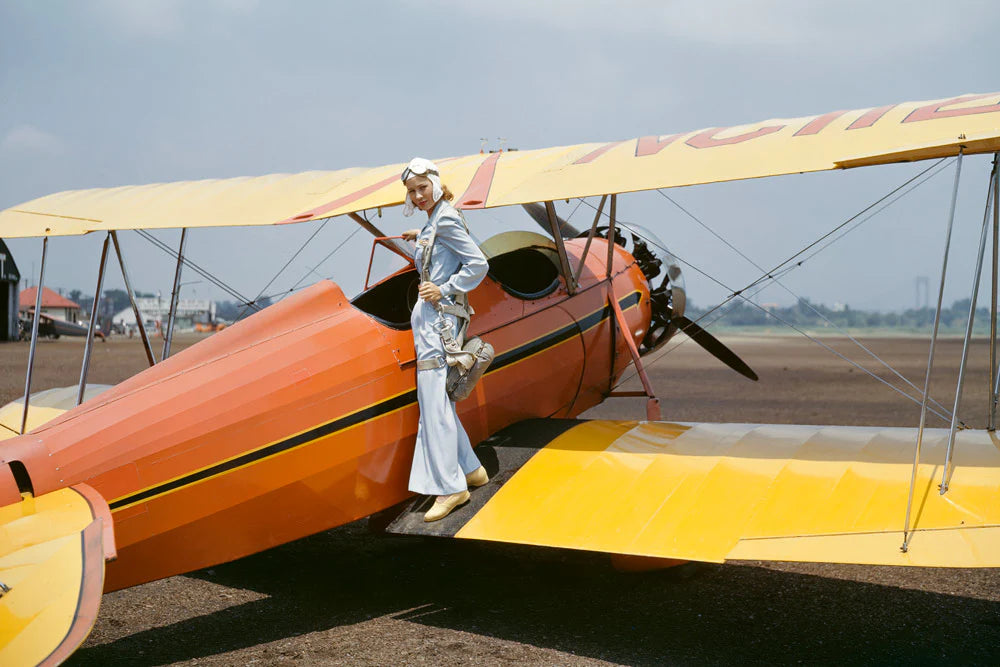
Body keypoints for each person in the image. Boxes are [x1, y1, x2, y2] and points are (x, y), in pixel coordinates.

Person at [400, 157, 490, 522]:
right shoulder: (435, 220)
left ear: (435, 184)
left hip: (438, 325)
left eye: (422, 187)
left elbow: (478, 264)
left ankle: (451, 488)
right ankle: (471, 469)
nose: (418, 195)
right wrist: (418, 239)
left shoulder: (447, 218)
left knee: (434, 407)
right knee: (439, 403)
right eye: (411, 191)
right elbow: (442, 253)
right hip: (430, 323)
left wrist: (446, 289)